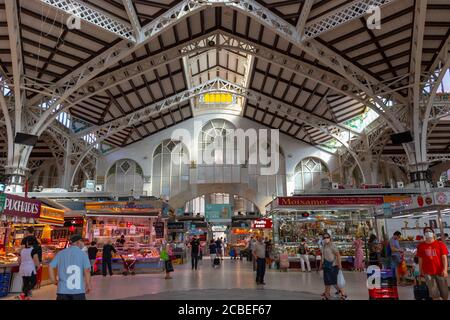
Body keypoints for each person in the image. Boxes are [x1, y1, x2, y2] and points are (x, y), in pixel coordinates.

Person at [49, 235, 91, 300]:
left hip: (62, 291)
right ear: (78, 242)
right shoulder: (83, 254)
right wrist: (88, 285)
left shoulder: (60, 253)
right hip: (78, 291)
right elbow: (87, 271)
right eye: (82, 241)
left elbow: (51, 266)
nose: (83, 243)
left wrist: (53, 281)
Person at [416, 227, 448, 300]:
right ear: (424, 234)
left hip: (440, 270)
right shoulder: (421, 246)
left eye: (429, 231)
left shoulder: (440, 244)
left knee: (444, 292)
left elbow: (444, 258)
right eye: (426, 231)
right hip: (428, 271)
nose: (428, 232)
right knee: (433, 291)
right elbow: (420, 259)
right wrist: (420, 270)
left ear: (433, 233)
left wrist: (445, 270)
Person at [319, 233, 347, 300]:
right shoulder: (324, 245)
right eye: (324, 238)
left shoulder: (332, 245)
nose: (326, 239)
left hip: (333, 266)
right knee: (327, 281)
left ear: (330, 238)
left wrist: (340, 265)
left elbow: (338, 255)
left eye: (327, 237)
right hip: (326, 266)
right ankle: (327, 295)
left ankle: (343, 294)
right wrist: (320, 265)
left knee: (335, 281)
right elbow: (323, 256)